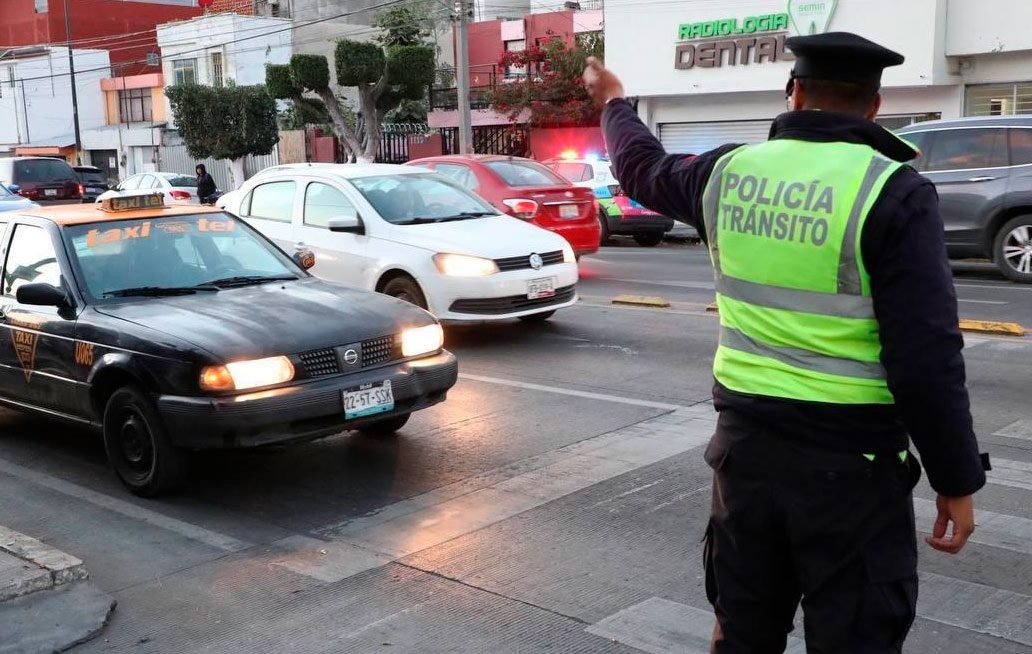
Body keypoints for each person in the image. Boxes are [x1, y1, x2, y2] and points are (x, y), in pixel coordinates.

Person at [584, 33, 989, 652]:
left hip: (745, 461)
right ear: (875, 106)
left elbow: (639, 167)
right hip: (853, 472)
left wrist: (614, 101)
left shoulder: (727, 171)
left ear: (793, 93)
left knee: (745, 633)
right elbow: (925, 356)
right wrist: (955, 478)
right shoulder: (893, 191)